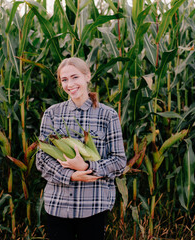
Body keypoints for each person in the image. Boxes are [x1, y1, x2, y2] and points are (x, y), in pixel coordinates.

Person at [36, 57, 126, 240]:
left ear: (87, 76)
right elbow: (41, 159)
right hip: (58, 205)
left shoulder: (107, 115)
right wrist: (70, 175)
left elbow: (119, 162)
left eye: (75, 77)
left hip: (93, 206)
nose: (70, 84)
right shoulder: (52, 114)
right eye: (64, 79)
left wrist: (86, 168)